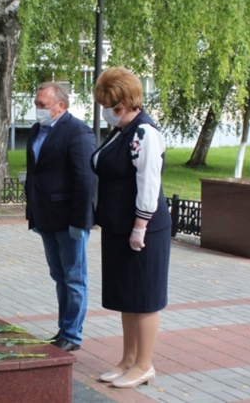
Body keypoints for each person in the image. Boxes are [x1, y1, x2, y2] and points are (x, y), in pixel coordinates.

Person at [91, 67, 171, 388]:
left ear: (125, 102)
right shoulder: (122, 130)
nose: (107, 111)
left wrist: (140, 227)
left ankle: (144, 365)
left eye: (111, 105)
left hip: (143, 231)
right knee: (127, 297)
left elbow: (148, 184)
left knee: (144, 297)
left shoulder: (144, 133)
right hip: (118, 227)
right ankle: (127, 360)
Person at [25, 82, 97, 352]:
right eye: (36, 104)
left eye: (42, 105)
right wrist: (33, 212)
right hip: (45, 218)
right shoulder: (36, 131)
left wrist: (79, 222)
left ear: (60, 106)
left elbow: (85, 180)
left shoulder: (78, 131)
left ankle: (72, 334)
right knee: (59, 275)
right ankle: (63, 330)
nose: (38, 110)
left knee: (75, 278)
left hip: (70, 221)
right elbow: (35, 173)